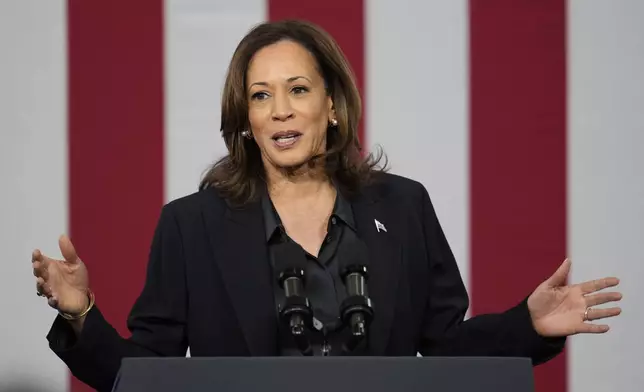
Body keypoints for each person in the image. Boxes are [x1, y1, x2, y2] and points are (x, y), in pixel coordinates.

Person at [32, 19, 622, 392]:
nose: (280, 110)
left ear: (333, 104)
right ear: (246, 121)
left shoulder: (405, 207)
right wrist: (82, 314)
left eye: (298, 90)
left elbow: (444, 346)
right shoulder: (191, 225)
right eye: (260, 96)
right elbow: (143, 375)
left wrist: (530, 324)